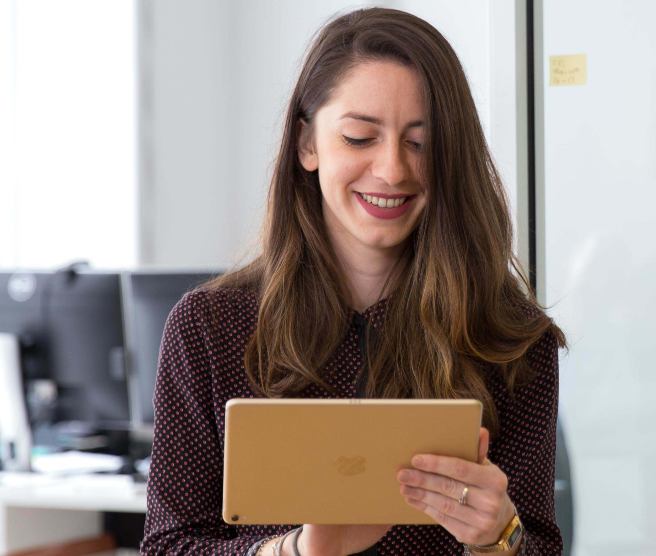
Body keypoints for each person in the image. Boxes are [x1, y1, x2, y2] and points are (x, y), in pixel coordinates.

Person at [139, 8, 566, 556]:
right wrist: (296, 551)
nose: (392, 170)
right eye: (361, 137)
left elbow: (540, 545)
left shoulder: (510, 339)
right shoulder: (210, 326)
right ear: (307, 145)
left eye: (421, 142)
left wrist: (497, 538)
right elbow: (168, 545)